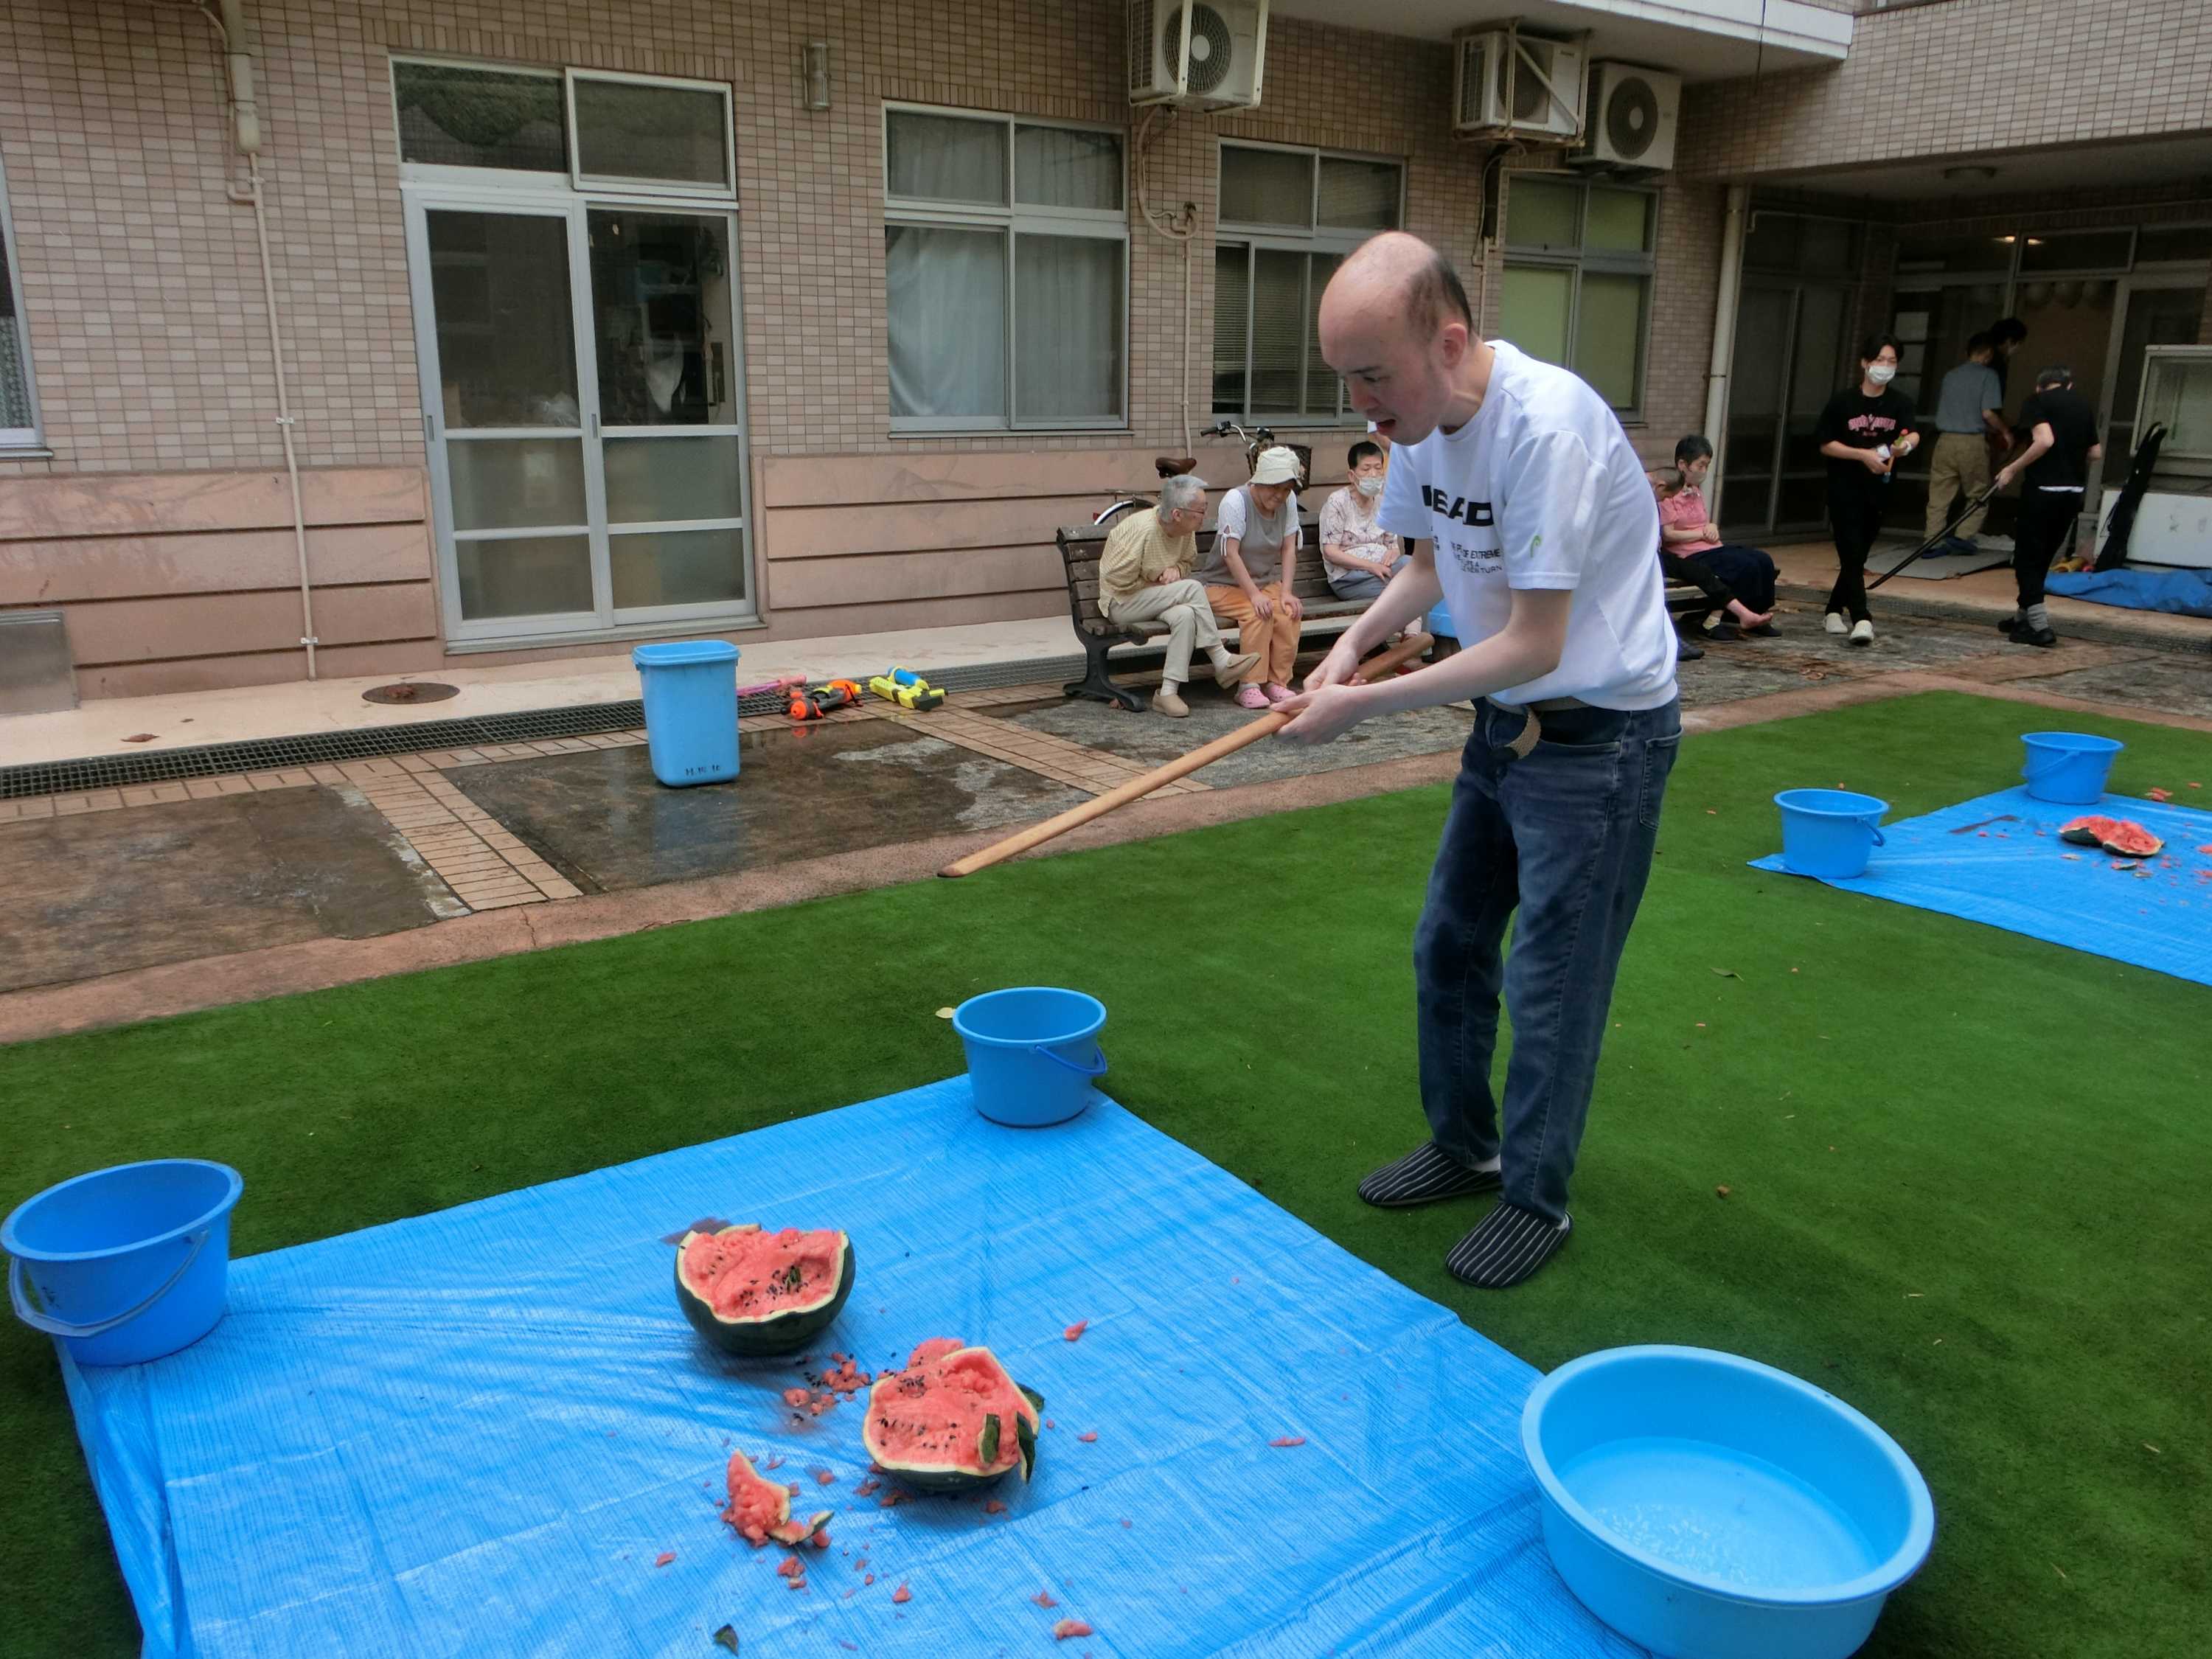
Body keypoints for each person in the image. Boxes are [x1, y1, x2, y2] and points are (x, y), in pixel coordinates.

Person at [1279, 231, 1680, 1290]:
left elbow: (1535, 642)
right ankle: (1467, 1144)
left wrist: (1361, 709)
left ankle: (1535, 1198)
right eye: (1347, 377)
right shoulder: (1416, 423)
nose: (1362, 403)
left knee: (1554, 980)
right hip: (1503, 726)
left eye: (1374, 374)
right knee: (1449, 943)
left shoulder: (1545, 430)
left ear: (1449, 342)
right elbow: (1424, 566)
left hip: (1601, 735)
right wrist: (1349, 648)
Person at [1095, 475, 1264, 715]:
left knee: (1185, 615)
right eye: (1200, 511)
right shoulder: (1138, 532)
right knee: (1193, 588)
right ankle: (1219, 658)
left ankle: (1168, 693)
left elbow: (1186, 562)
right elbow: (1117, 580)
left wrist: (1176, 570)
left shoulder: (1186, 528)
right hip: (1122, 602)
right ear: (1177, 514)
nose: (1204, 517)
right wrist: (1158, 579)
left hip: (1156, 598)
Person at [1814, 334, 1921, 646]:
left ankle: (1833, 609)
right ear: (1865, 363)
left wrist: (1901, 447)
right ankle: (1862, 619)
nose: (1884, 367)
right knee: (1850, 549)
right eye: (1879, 361)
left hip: (1880, 490)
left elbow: (1912, 435)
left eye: (1891, 362)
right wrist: (1863, 455)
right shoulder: (1843, 402)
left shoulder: (1901, 403)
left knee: (1857, 555)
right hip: (1844, 488)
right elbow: (1825, 444)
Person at [1995, 364, 2102, 648]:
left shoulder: (2036, 402)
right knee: (2043, 556)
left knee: (2027, 557)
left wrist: (2012, 469)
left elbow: (2044, 440)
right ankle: (2024, 615)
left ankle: (2040, 627)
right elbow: (2095, 452)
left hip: (2043, 490)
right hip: (2073, 492)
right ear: (2068, 385)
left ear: (2039, 387)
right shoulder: (2082, 405)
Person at [1196, 446, 1306, 709]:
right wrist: (1254, 595)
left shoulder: (1288, 502)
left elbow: (1289, 547)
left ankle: (1278, 682)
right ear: (1260, 480)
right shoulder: (1235, 501)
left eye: (1286, 489)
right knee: (1258, 612)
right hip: (1220, 584)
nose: (1279, 496)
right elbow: (1230, 554)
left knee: (1288, 610)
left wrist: (1287, 591)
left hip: (1265, 581)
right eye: (1274, 488)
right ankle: (1249, 684)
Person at [1659, 436, 1778, 637]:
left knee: (1763, 560)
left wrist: (1711, 527)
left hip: (1710, 547)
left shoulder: (1695, 491)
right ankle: (1713, 620)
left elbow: (1703, 522)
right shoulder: (1669, 493)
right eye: (1701, 465)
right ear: (1682, 464)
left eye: (1707, 466)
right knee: (1741, 566)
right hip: (1689, 553)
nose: (1704, 471)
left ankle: (1758, 612)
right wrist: (1701, 533)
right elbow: (1668, 535)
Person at [1924, 334, 2009, 556]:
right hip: (1971, 442)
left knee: (1939, 495)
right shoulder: (1989, 376)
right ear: (1989, 355)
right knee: (1979, 492)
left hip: (1944, 441)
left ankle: (1932, 541)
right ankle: (1962, 537)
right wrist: (2005, 431)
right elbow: (1987, 413)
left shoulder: (1951, 376)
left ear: (1967, 352)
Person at [1319, 440, 1405, 601]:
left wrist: (1393, 553)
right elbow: (1331, 552)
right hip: (1349, 579)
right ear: (1352, 475)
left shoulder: (1383, 502)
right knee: (1409, 589)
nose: (1373, 474)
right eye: (1366, 469)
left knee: (1410, 571)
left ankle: (1413, 627)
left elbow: (1393, 546)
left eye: (1378, 468)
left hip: (1384, 573)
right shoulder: (1338, 501)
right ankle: (1415, 627)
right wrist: (1372, 567)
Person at [1987, 316, 2028, 400]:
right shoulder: (1996, 363)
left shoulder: (1984, 356)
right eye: (2019, 343)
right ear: (2009, 341)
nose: (2018, 348)